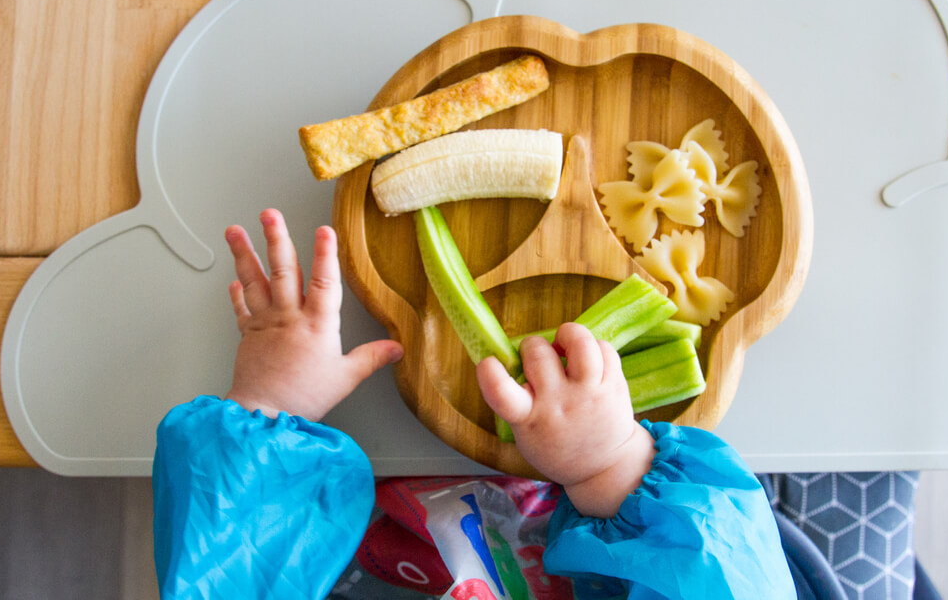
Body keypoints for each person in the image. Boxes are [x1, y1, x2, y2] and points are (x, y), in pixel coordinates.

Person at [151, 208, 796, 598]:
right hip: (634, 535)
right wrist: (611, 464)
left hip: (340, 530)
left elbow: (225, 574)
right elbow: (723, 578)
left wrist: (267, 406)